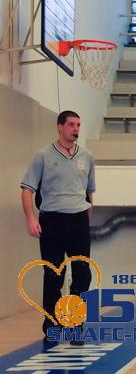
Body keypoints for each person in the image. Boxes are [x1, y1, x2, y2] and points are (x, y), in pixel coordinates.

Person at [20, 111, 95, 346]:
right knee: (53, 275)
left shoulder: (87, 157)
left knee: (82, 274)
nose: (76, 129)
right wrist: (31, 218)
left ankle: (76, 324)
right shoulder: (43, 156)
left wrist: (87, 220)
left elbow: (89, 192)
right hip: (52, 221)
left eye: (79, 125)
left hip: (78, 221)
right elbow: (27, 189)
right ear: (60, 127)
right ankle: (52, 325)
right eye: (71, 124)